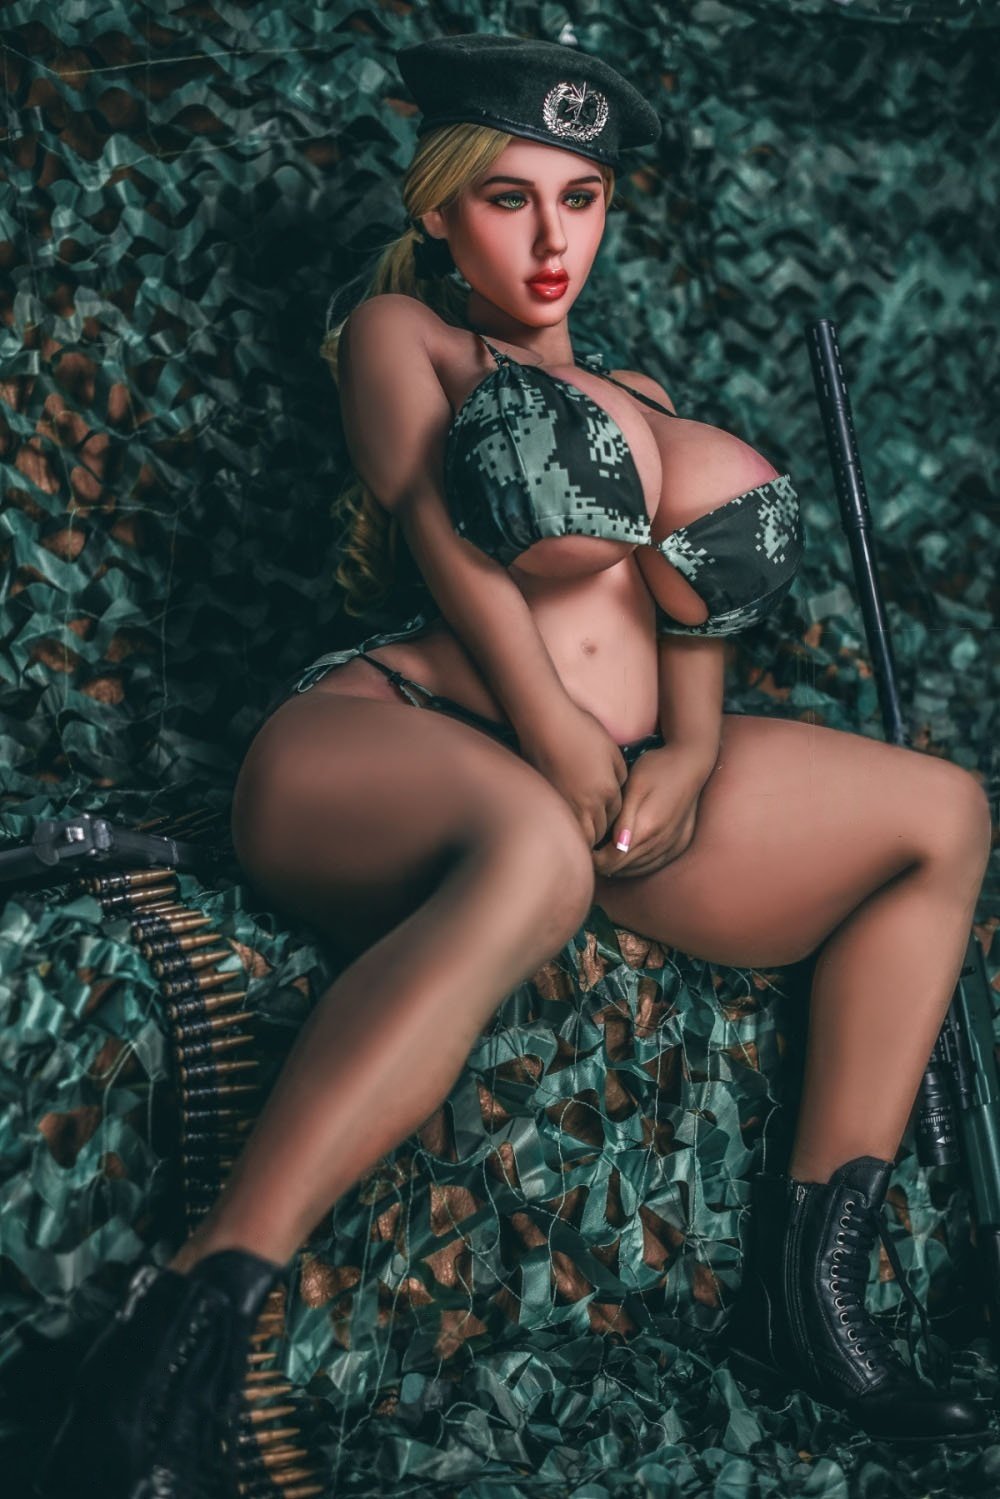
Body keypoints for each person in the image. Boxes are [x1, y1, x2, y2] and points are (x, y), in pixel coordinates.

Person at [38, 31, 993, 1498]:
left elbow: (693, 622)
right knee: (537, 853)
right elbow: (448, 541)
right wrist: (552, 729)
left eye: (581, 198)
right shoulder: (404, 339)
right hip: (405, 733)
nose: (552, 240)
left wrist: (689, 756)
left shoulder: (644, 388)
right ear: (439, 212)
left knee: (942, 814)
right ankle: (180, 1340)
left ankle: (820, 1297)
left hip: (606, 772)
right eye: (508, 198)